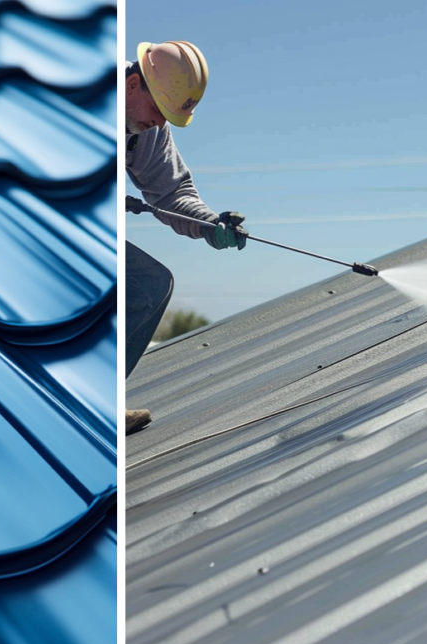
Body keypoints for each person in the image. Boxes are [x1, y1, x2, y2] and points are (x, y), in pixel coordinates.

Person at [124, 40, 246, 436]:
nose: (160, 124)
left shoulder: (147, 130)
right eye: (159, 111)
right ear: (131, 85)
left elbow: (171, 193)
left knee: (147, 285)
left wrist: (211, 225)